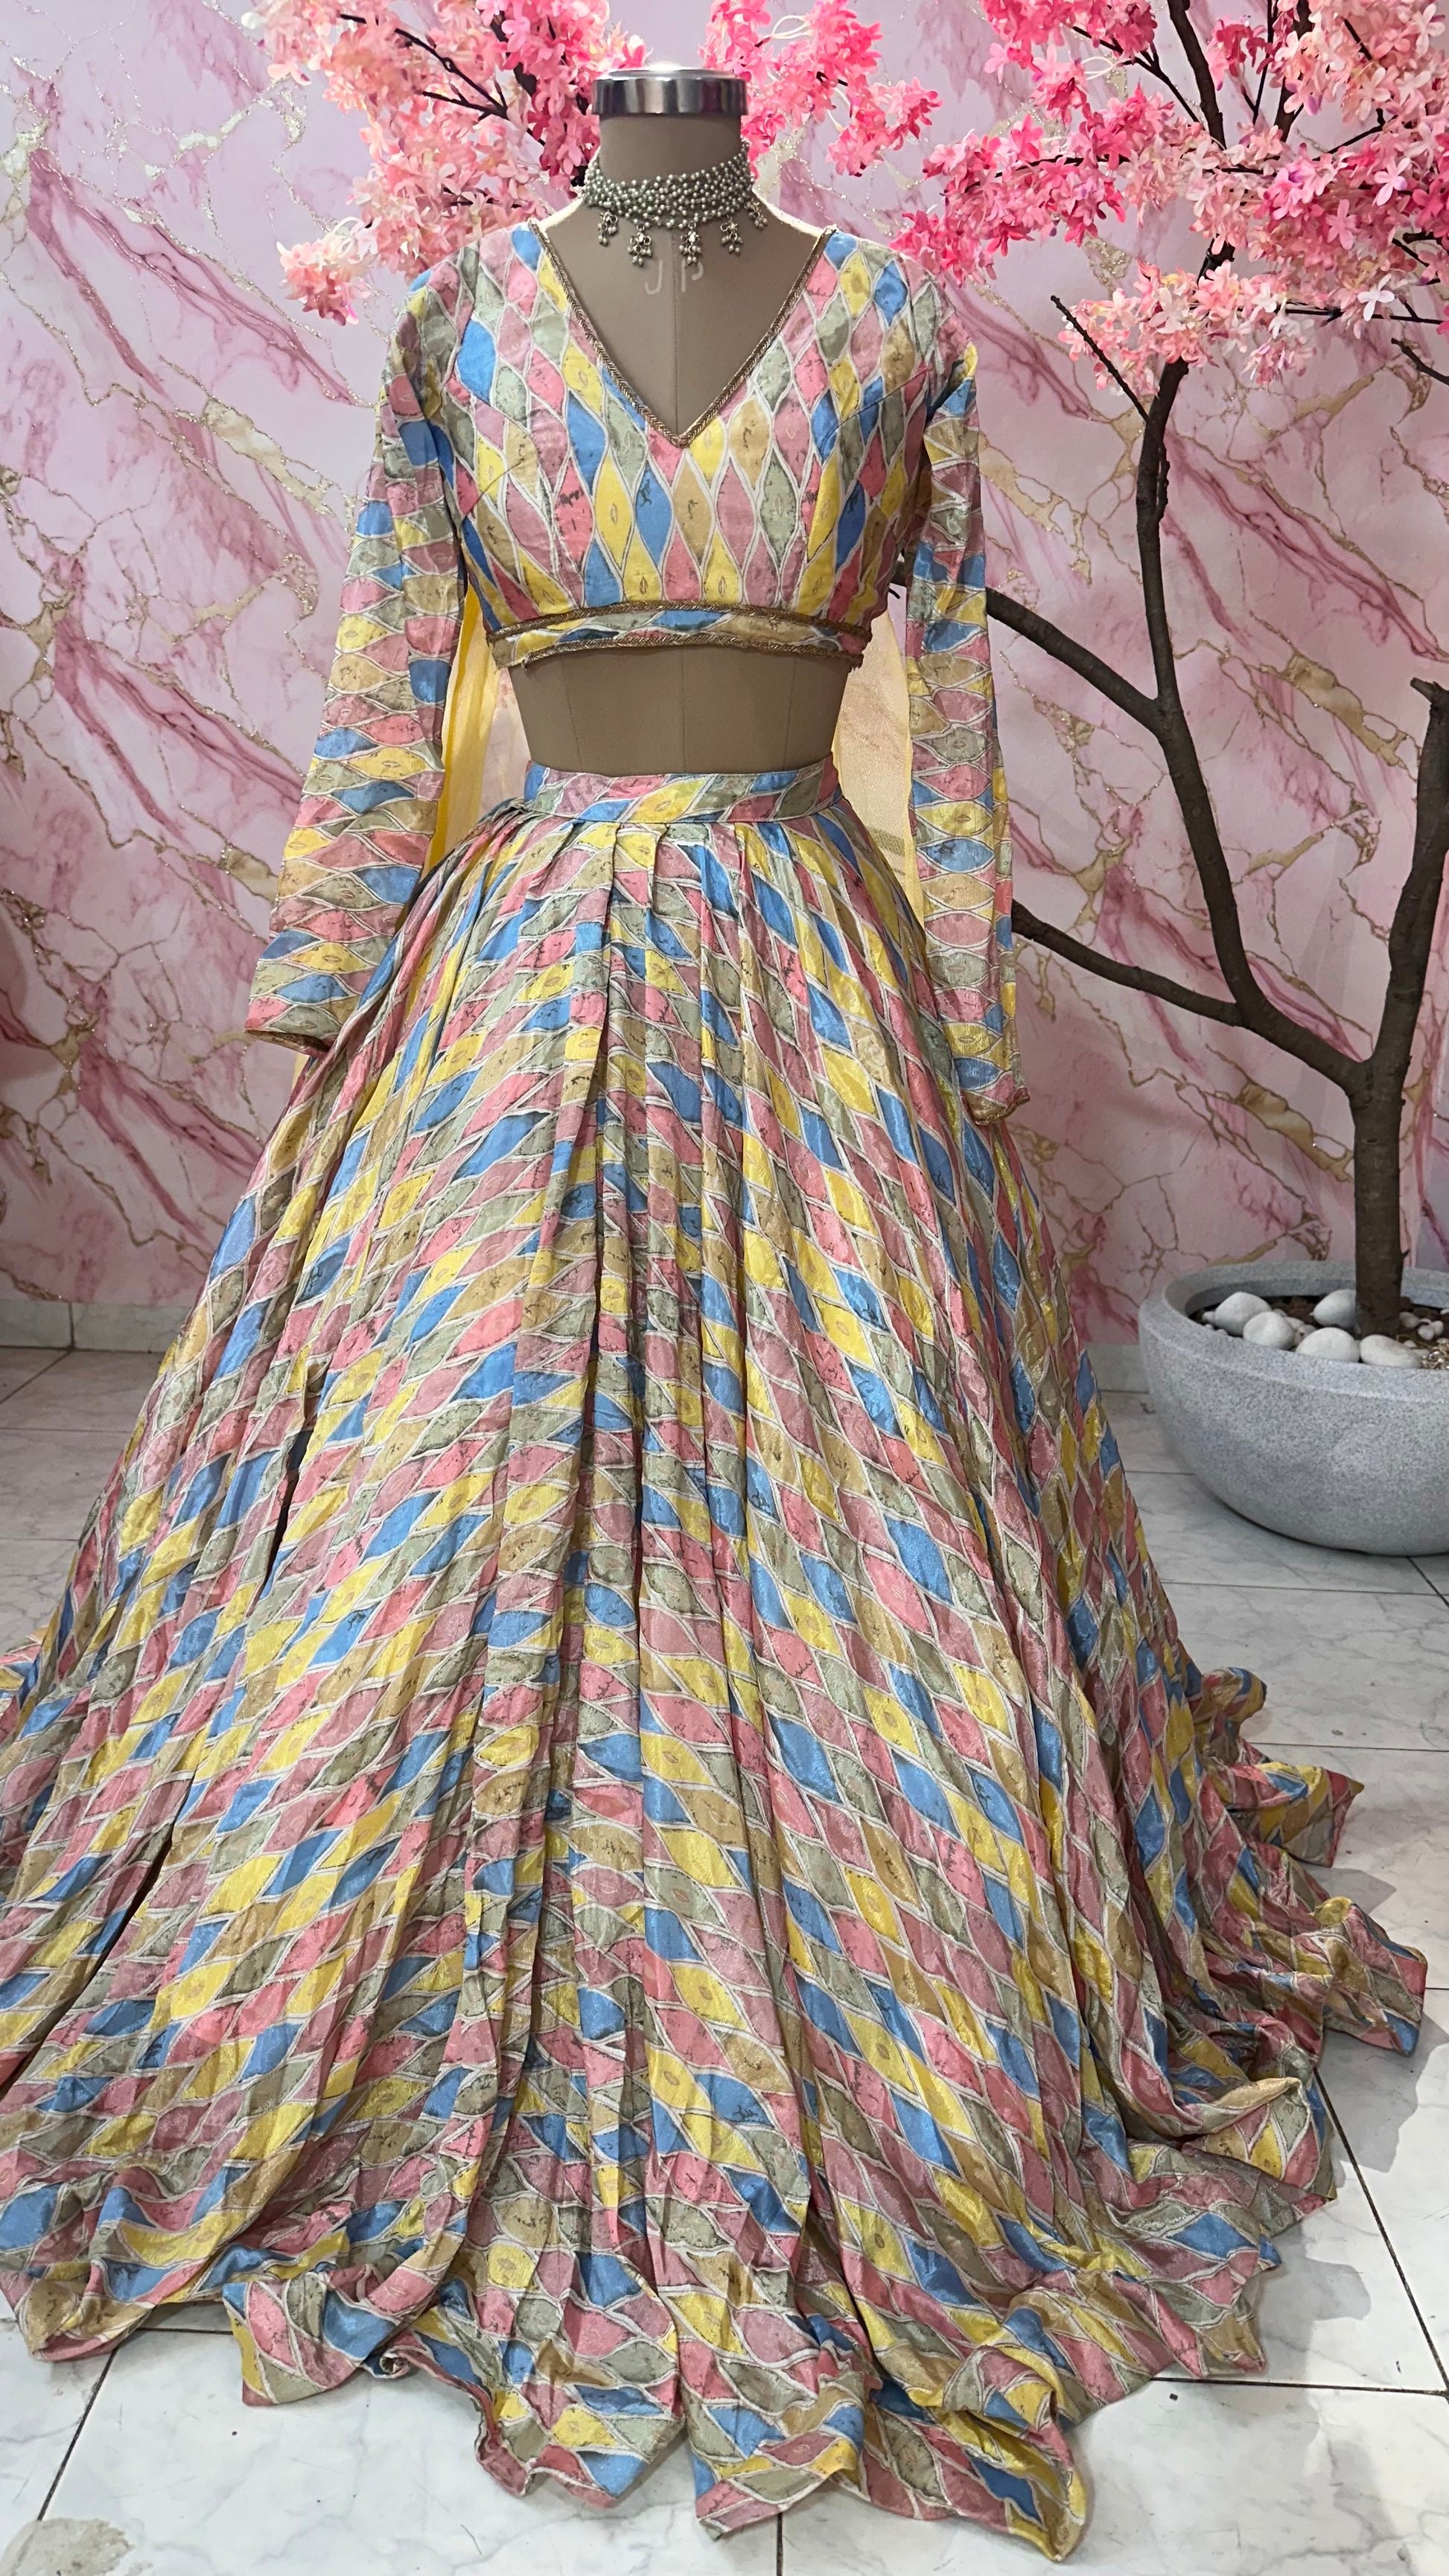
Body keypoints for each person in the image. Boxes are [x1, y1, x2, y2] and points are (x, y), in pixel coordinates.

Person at [0, 67, 1424, 2563]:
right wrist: (335, 974)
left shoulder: (884, 323)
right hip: (516, 969)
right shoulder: (455, 326)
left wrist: (953, 996)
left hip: (805, 956)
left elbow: (947, 692)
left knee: (872, 1479)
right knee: (418, 1489)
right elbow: (387, 676)